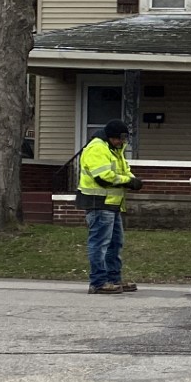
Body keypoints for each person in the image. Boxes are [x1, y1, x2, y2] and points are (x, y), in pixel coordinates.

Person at [77, 120, 141, 293]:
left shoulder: (114, 150)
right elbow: (103, 176)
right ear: (111, 136)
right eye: (120, 138)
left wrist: (132, 179)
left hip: (112, 205)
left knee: (115, 244)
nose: (122, 142)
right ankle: (98, 283)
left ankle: (113, 279)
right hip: (98, 203)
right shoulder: (97, 148)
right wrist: (128, 181)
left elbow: (123, 170)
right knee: (99, 244)